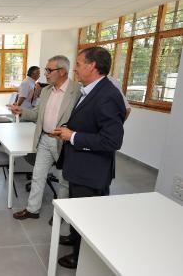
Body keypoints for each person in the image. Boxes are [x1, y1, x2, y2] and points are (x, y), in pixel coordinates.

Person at [53, 47, 126, 269]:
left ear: (92, 66)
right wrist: (69, 128)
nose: (74, 68)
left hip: (92, 170)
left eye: (78, 63)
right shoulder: (91, 90)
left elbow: (112, 141)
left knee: (88, 216)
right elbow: (90, 124)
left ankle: (81, 256)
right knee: (79, 210)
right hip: (81, 167)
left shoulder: (107, 95)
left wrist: (73, 136)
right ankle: (75, 238)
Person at [9, 55, 81, 222]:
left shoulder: (76, 91)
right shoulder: (47, 90)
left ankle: (61, 215)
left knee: (64, 181)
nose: (45, 74)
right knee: (37, 175)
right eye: (45, 70)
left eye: (49, 70)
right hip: (44, 139)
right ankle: (32, 209)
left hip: (64, 143)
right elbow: (36, 114)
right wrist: (21, 111)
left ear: (62, 72)